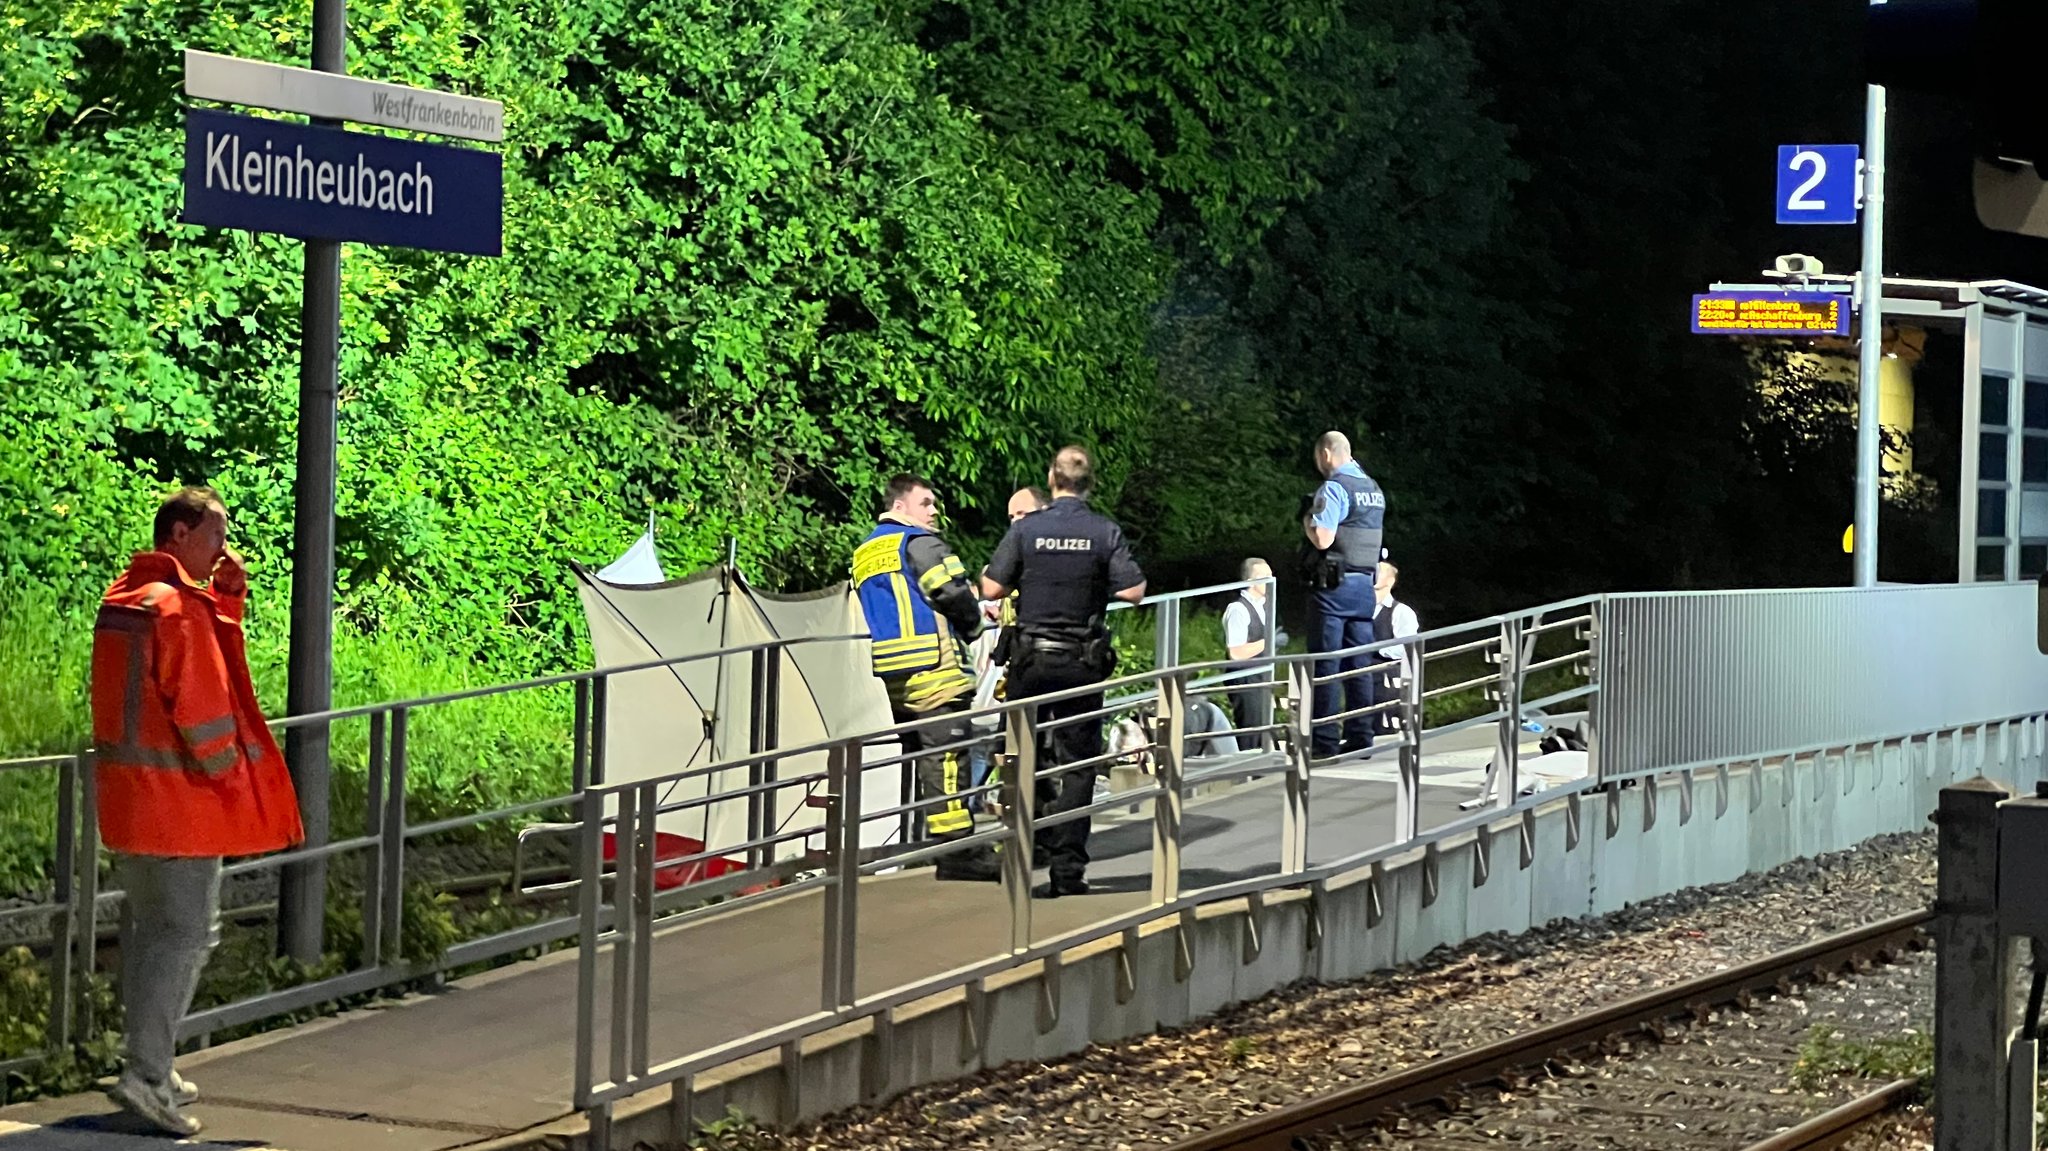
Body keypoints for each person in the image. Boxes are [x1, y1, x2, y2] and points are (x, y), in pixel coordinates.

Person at [91, 487, 303, 1136]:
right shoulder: (179, 609)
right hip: (181, 804)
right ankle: (148, 1075)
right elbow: (207, 708)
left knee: (151, 933)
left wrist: (226, 598)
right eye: (215, 534)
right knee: (185, 936)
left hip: (130, 801)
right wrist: (237, 785)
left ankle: (150, 1059)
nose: (223, 548)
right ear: (180, 534)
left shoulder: (126, 598)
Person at [980, 447, 1146, 898]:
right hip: (1079, 662)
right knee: (1078, 767)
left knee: (1019, 759)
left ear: (1051, 480)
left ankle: (1018, 858)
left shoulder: (1028, 529)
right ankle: (1067, 872)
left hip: (1030, 663)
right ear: (1090, 483)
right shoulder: (1102, 531)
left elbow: (991, 586)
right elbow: (1133, 590)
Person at [852, 474, 999, 881]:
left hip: (895, 673)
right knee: (949, 758)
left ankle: (930, 843)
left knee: (923, 759)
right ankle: (959, 853)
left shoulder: (865, 551)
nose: (934, 511)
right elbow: (951, 592)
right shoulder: (920, 543)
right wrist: (973, 626)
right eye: (927, 503)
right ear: (900, 507)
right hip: (936, 668)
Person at [1299, 430, 1387, 758]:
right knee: (1360, 664)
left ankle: (1323, 741)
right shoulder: (1373, 489)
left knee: (1325, 664)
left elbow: (1323, 538)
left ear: (1325, 454)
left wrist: (1307, 519)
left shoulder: (1335, 487)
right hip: (1365, 586)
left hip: (1333, 588)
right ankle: (1362, 737)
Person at [967, 487, 1050, 803]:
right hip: (993, 705)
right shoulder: (990, 620)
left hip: (995, 704)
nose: (1015, 523)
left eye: (1021, 515)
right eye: (1011, 517)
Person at [1221, 558, 1276, 750]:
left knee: (1265, 731)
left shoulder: (1265, 607)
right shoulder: (1238, 609)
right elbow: (1236, 652)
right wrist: (1268, 643)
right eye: (1265, 577)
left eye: (1271, 575)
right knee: (1251, 732)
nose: (1271, 580)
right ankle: (1248, 774)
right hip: (1245, 680)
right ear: (1251, 581)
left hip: (1261, 678)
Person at [1370, 561, 1420, 737]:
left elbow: (1406, 647)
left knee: (1385, 725)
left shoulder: (1402, 612)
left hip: (1388, 677)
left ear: (1390, 581)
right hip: (1362, 674)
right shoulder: (1360, 610)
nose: (1373, 574)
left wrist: (1375, 649)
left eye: (1379, 572)